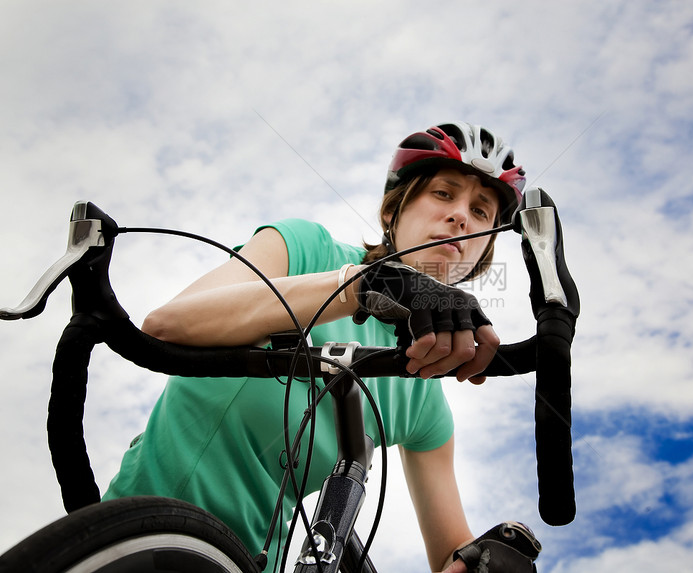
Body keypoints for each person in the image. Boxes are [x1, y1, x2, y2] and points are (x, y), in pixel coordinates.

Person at [102, 121, 541, 572]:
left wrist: (480, 560)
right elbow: (168, 324)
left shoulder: (423, 391)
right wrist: (364, 285)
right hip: (132, 539)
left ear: (485, 246)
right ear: (392, 212)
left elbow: (449, 552)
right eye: (444, 194)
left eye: (482, 212)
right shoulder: (306, 249)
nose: (461, 217)